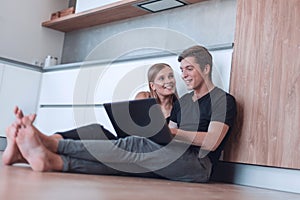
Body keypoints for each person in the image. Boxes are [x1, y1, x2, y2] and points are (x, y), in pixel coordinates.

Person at [3, 45, 236, 183]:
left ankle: (51, 145)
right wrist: (160, 133)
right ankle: (52, 161)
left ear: (206, 69)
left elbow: (212, 141)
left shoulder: (222, 100)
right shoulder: (183, 101)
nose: (183, 75)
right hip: (173, 156)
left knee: (134, 147)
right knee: (128, 161)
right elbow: (169, 135)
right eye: (182, 70)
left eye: (190, 69)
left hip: (199, 165)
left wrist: (171, 132)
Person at [2, 63, 178, 165]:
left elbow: (171, 143)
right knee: (95, 130)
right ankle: (40, 141)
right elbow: (132, 127)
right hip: (127, 143)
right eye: (162, 78)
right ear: (152, 85)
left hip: (148, 155)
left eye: (171, 76)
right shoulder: (144, 98)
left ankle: (30, 151)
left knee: (100, 153)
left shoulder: (179, 108)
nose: (168, 81)